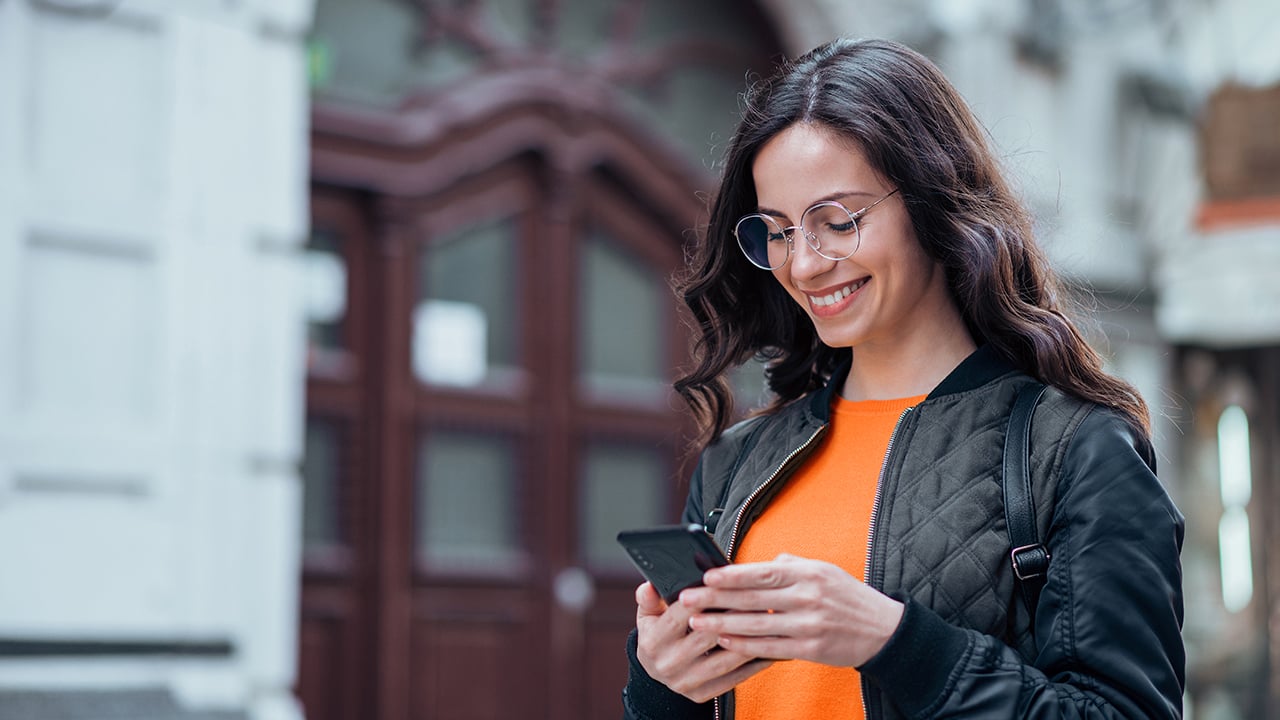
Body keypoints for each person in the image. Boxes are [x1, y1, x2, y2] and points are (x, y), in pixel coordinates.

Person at [621, 37, 1185, 720]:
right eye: (777, 230)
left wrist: (892, 640)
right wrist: (660, 686)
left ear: (930, 201)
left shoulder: (1072, 448)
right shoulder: (740, 462)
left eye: (837, 221)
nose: (804, 264)